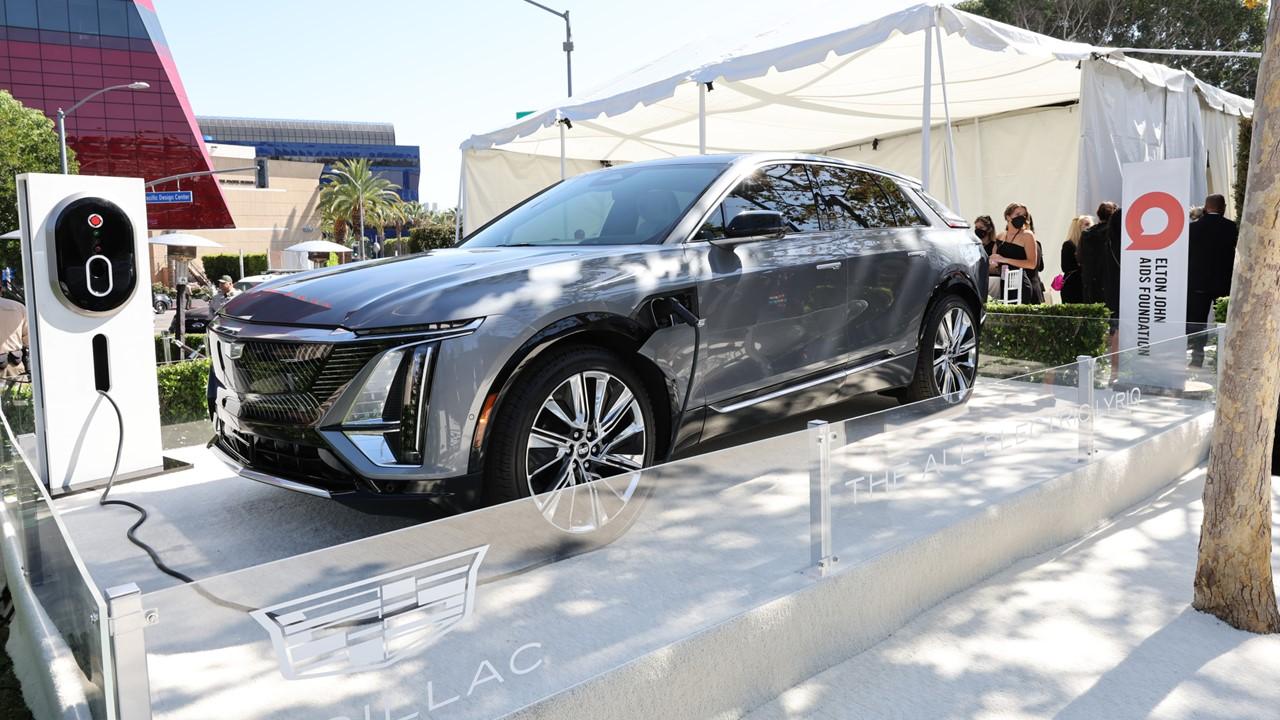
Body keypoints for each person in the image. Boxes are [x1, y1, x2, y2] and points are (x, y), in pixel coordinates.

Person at [1186, 194, 1239, 366]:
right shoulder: (1231, 227)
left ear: (1206, 208)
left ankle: (1196, 358)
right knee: (1223, 320)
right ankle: (1221, 359)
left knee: (1197, 322)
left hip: (1198, 283)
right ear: (1223, 207)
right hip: (1223, 283)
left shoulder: (1193, 229)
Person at [990, 202, 1043, 304]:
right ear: (1008, 217)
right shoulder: (1000, 236)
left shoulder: (1027, 235)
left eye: (1024, 215)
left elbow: (1031, 264)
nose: (1021, 217)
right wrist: (992, 263)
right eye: (1018, 214)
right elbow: (995, 261)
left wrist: (1004, 260)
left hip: (1025, 285)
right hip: (1007, 284)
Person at [206, 276, 239, 418]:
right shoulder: (216, 298)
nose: (220, 285)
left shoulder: (239, 296)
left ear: (230, 284)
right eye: (219, 283)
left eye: (223, 283)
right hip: (219, 334)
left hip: (233, 335)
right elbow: (211, 314)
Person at [1080, 201, 1118, 306]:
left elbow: (1080, 258)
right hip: (1111, 283)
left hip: (1091, 283)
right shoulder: (1114, 233)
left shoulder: (1086, 234)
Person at [1058, 215, 1092, 303]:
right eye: (1087, 224)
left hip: (1087, 286)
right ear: (1078, 228)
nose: (1091, 227)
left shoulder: (1090, 245)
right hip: (1073, 287)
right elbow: (1065, 267)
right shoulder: (1069, 245)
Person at [0, 295, 28, 379]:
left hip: (12, 364)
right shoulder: (19, 307)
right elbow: (29, 340)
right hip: (14, 368)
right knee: (21, 392)